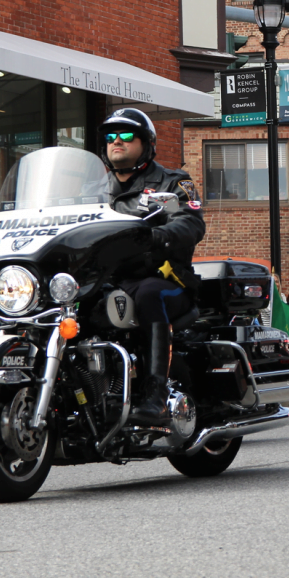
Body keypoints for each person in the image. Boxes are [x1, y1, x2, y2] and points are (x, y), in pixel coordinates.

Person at [102, 108, 206, 423]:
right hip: (109, 281)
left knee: (148, 294)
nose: (116, 141)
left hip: (164, 281)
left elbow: (191, 222)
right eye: (110, 136)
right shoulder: (91, 189)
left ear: (146, 142)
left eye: (126, 135)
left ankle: (156, 396)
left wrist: (155, 236)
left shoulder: (171, 183)